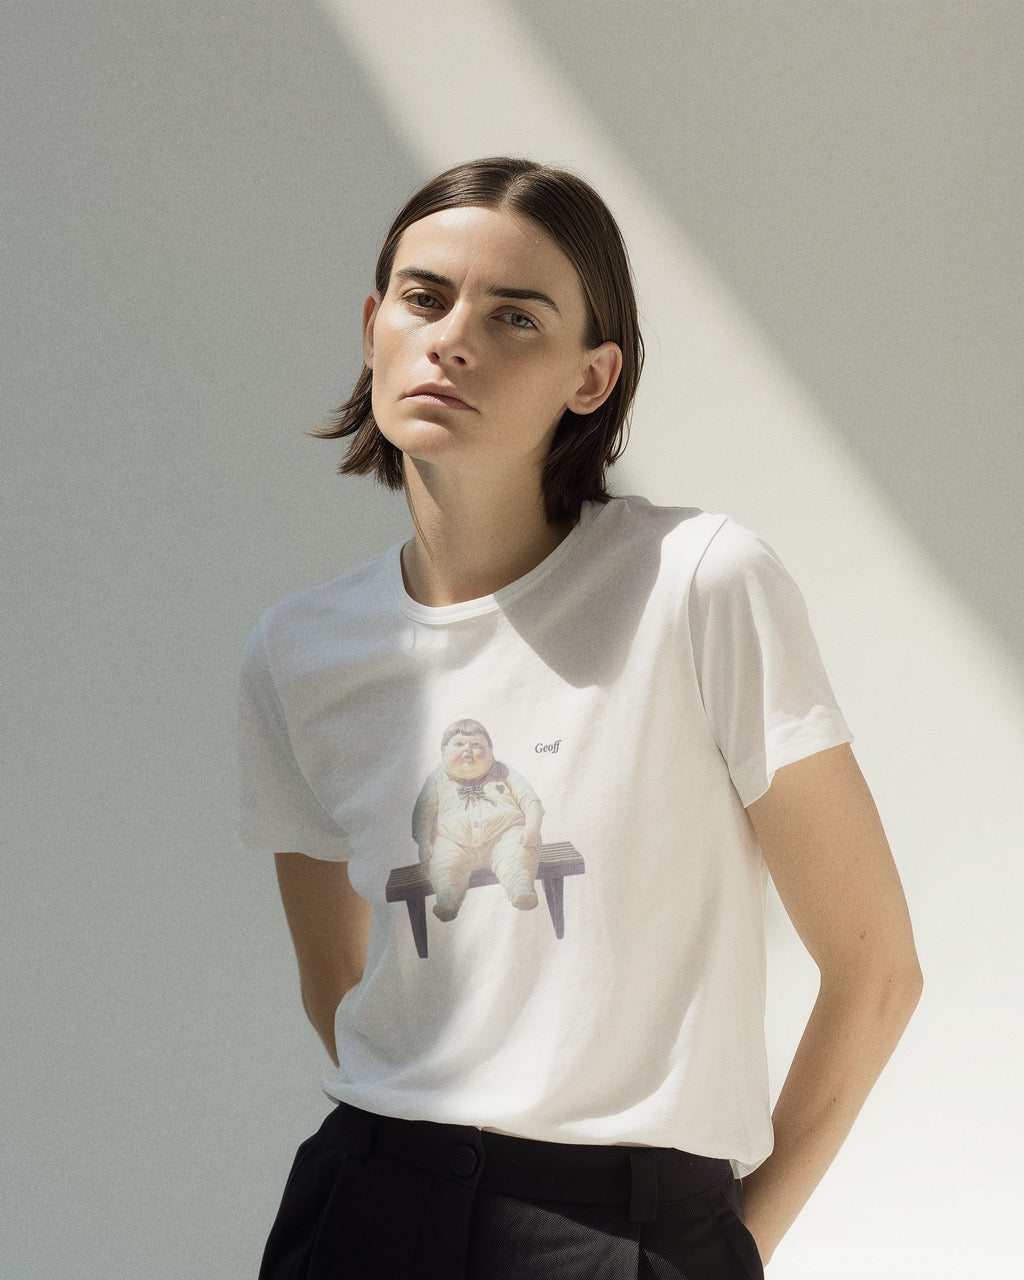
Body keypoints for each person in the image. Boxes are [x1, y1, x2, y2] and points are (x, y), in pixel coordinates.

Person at [237, 157, 922, 1279]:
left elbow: (876, 969)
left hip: (624, 1229)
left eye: (514, 317)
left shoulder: (697, 584)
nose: (453, 340)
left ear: (592, 377)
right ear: (373, 328)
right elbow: (341, 985)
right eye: (423, 298)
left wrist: (729, 1244)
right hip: (366, 1210)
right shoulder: (300, 649)